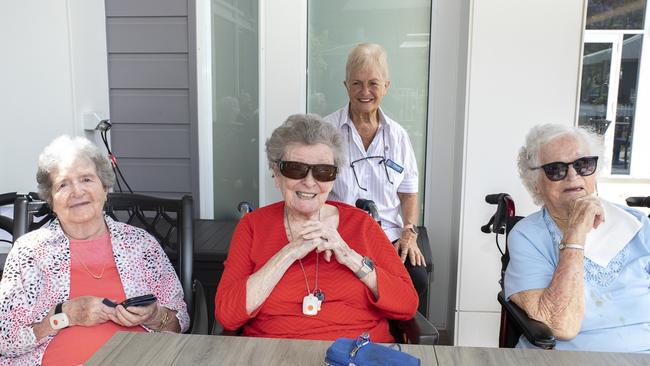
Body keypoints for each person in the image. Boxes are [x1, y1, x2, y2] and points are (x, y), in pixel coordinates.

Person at [215, 114, 418, 342]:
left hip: (358, 354)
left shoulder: (362, 225)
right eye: (295, 169)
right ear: (276, 172)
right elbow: (227, 315)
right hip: (274, 355)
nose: (310, 182)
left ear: (333, 178)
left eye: (323, 172)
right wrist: (289, 252)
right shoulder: (253, 226)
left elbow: (407, 305)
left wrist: (349, 256)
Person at [0, 136, 189, 365]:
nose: (77, 191)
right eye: (63, 184)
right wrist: (65, 315)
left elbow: (179, 322)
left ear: (105, 187)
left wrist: (154, 315)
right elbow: (5, 340)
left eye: (86, 179)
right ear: (51, 199)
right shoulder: (29, 251)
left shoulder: (141, 244)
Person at [505, 123, 650, 352]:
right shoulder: (527, 235)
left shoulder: (638, 225)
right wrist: (576, 233)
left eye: (583, 165)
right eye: (555, 169)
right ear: (536, 183)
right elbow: (561, 325)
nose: (572, 175)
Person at [323, 43, 427, 295]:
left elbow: (408, 192)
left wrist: (408, 234)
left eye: (373, 83)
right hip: (342, 237)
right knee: (346, 289)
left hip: (388, 237)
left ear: (386, 87)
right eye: (356, 83)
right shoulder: (325, 132)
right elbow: (315, 191)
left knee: (417, 280)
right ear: (346, 85)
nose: (365, 91)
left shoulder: (399, 136)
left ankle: (392, 335)